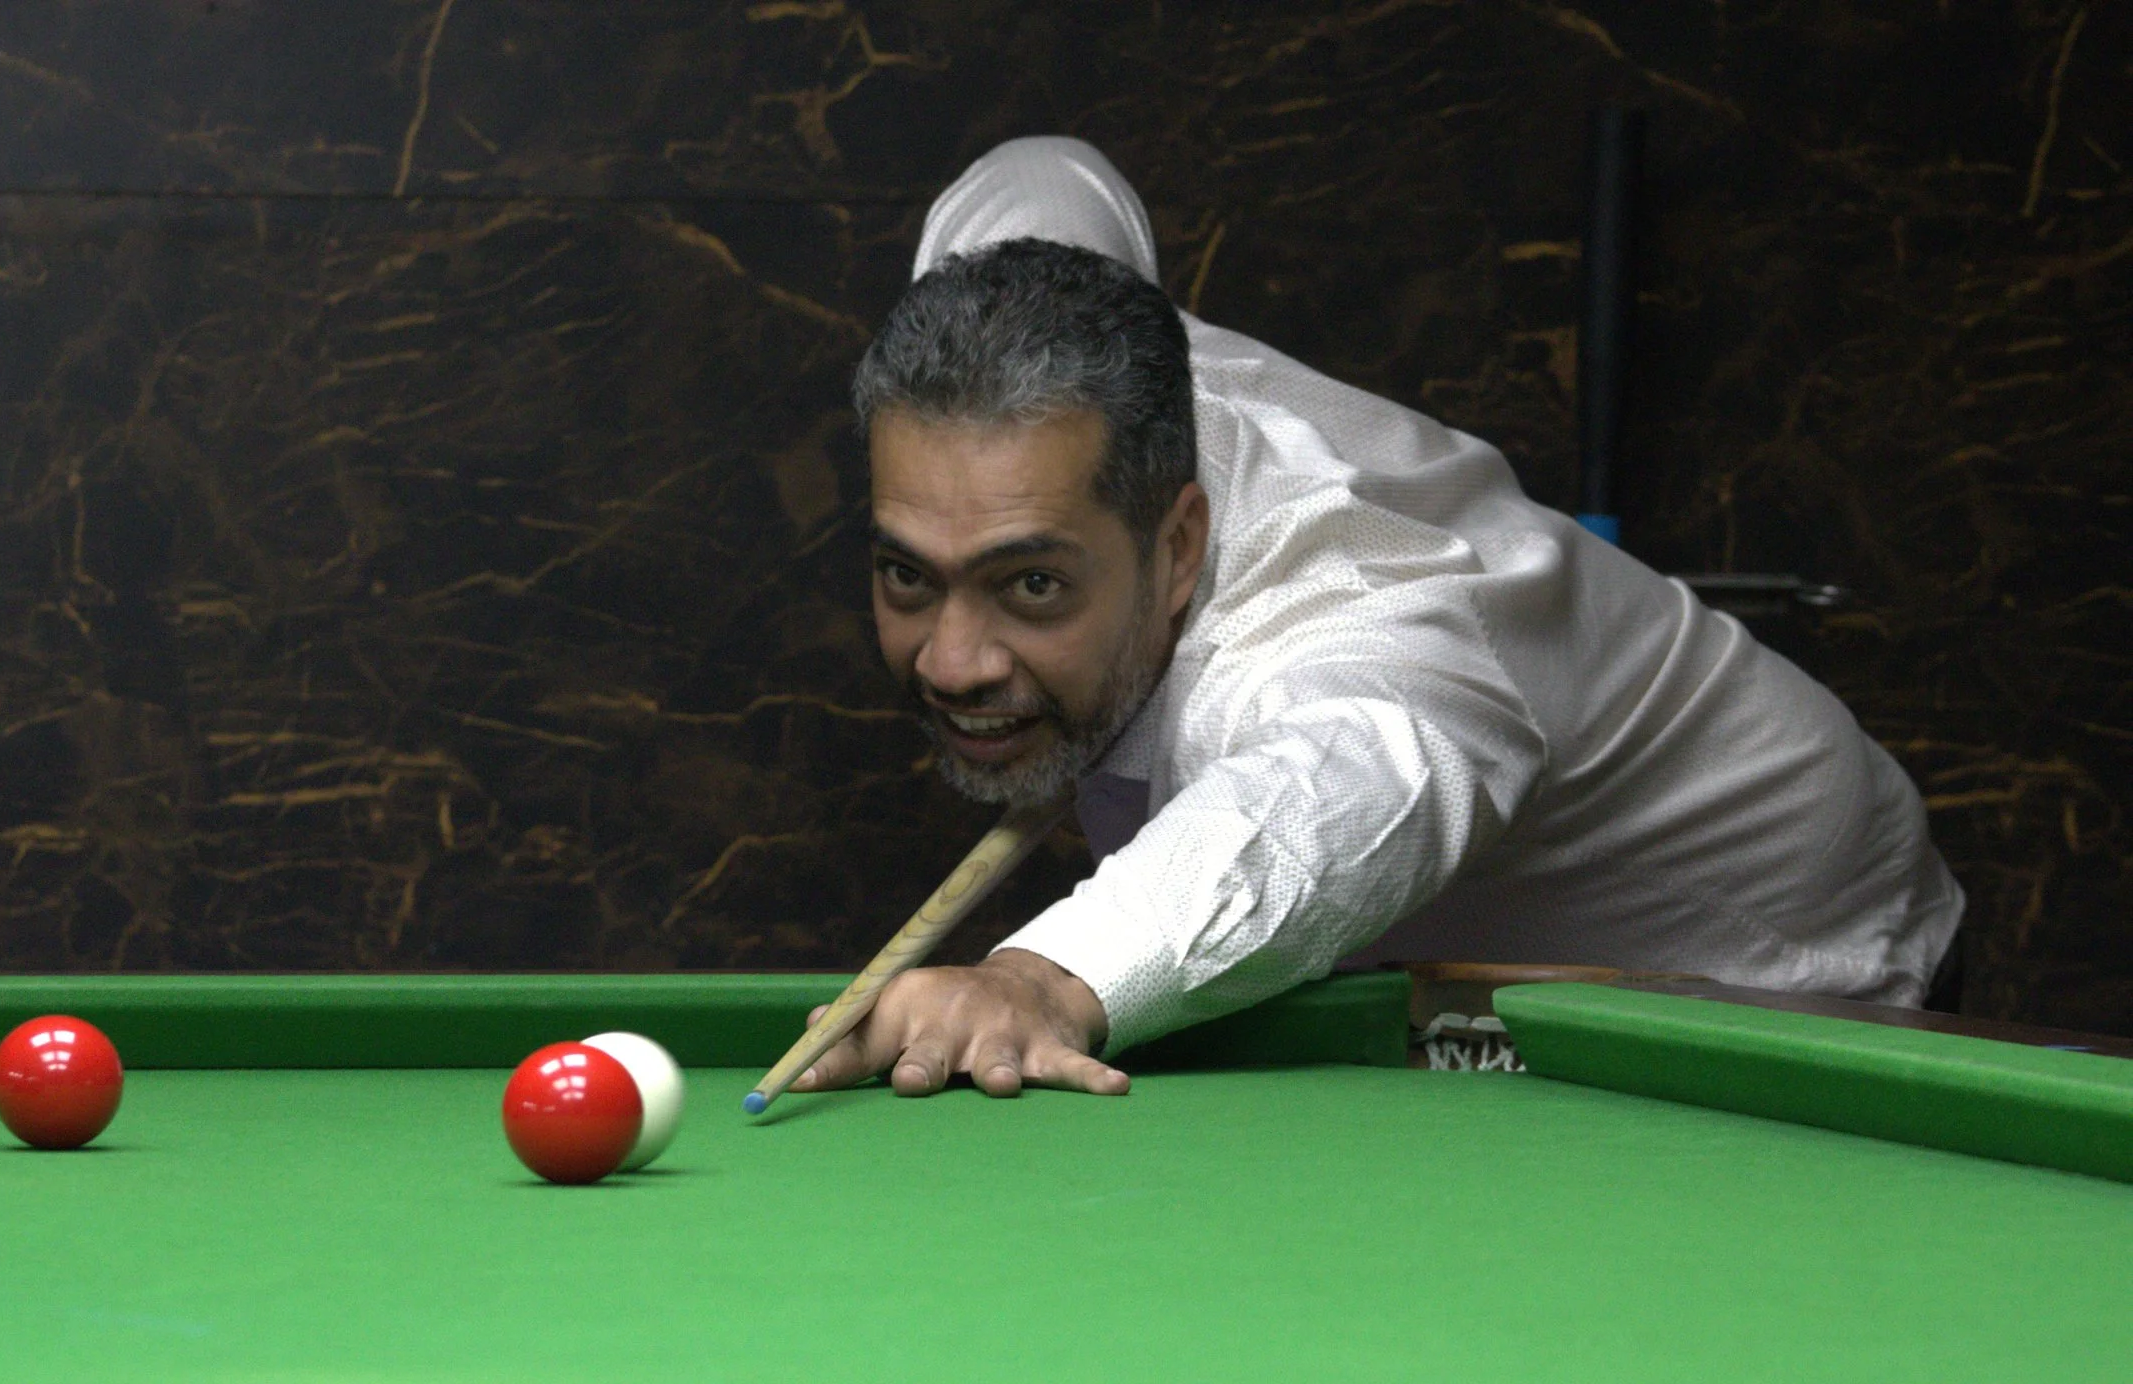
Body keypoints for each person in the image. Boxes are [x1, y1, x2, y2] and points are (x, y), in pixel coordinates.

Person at [798, 137, 1963, 1101]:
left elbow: (1350, 784)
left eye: (1030, 585)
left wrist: (1045, 977)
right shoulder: (1023, 348)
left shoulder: (1345, 611)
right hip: (1449, 958)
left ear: (1180, 548)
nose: (951, 661)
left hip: (1775, 965)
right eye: (908, 576)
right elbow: (1051, 177)